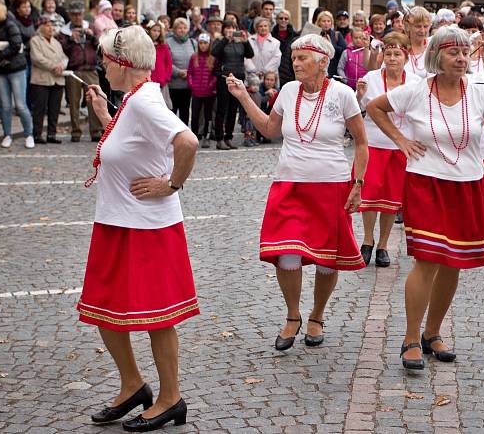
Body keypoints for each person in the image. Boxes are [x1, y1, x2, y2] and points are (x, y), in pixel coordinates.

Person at [365, 26, 484, 370]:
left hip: (467, 185)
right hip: (425, 183)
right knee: (427, 260)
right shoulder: (416, 91)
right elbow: (375, 108)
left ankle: (432, 334)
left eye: (465, 53)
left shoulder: (479, 94)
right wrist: (401, 141)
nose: (462, 59)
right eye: (454, 53)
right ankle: (410, 338)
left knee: (454, 262)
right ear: (437, 56)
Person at [77, 25, 199, 432]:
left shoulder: (145, 100)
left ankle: (170, 398)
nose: (102, 67)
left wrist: (172, 184)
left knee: (158, 317)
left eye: (106, 60)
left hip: (146, 228)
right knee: (105, 311)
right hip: (117, 222)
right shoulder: (131, 100)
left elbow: (188, 141)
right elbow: (135, 145)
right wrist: (104, 116)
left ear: (123, 63)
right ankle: (133, 385)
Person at [226, 33, 367, 350]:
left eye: (303, 58)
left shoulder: (343, 95)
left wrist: (358, 184)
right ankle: (293, 316)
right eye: (294, 58)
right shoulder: (289, 91)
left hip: (331, 186)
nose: (296, 63)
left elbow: (361, 142)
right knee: (287, 252)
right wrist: (243, 97)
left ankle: (316, 316)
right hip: (289, 183)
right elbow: (269, 129)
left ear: (322, 62)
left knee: (327, 259)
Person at [355, 33, 412, 267]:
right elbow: (358, 108)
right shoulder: (371, 78)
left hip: (399, 146)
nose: (391, 58)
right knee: (369, 196)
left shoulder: (416, 82)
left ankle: (383, 246)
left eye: (397, 54)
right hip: (374, 144)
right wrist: (358, 95)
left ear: (406, 57)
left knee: (391, 198)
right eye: (387, 54)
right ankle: (367, 241)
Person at [0, 0, 33, 148]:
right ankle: (7, 134)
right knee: (5, 106)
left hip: (16, 69)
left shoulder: (10, 24)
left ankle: (29, 134)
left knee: (21, 105)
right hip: (1, 70)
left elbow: (16, 45)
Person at [60, 1, 103, 142]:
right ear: (70, 15)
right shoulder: (64, 31)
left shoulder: (90, 26)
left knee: (94, 100)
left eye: (79, 14)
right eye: (74, 14)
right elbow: (63, 50)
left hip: (90, 69)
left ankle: (95, 131)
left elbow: (100, 46)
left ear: (83, 14)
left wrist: (92, 36)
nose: (77, 17)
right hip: (74, 70)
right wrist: (71, 40)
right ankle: (75, 131)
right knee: (74, 102)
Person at [211, 19, 254, 149]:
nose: (230, 30)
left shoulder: (240, 41)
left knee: (232, 110)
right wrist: (226, 39)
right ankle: (219, 138)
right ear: (224, 30)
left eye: (233, 28)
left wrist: (245, 41)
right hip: (224, 78)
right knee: (222, 109)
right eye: (228, 28)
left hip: (238, 78)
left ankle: (228, 137)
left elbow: (250, 54)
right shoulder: (220, 41)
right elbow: (214, 53)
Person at [29, 18, 68, 144]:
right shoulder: (35, 41)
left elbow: (64, 57)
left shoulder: (56, 42)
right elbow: (37, 58)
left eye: (52, 26)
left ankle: (51, 134)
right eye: (47, 25)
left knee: (54, 108)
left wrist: (61, 66)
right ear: (40, 27)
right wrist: (53, 66)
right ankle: (37, 134)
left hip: (57, 79)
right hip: (41, 80)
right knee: (39, 109)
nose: (51, 28)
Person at [187, 33, 217, 148]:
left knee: (208, 116)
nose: (203, 45)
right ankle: (194, 136)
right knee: (194, 115)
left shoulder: (213, 58)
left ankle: (206, 136)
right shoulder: (194, 57)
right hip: (196, 92)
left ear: (209, 44)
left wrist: (211, 85)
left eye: (205, 43)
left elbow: (215, 74)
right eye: (201, 43)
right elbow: (190, 72)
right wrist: (191, 84)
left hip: (209, 92)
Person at [166, 18, 196, 125]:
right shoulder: (168, 42)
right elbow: (167, 62)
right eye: (179, 28)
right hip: (173, 85)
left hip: (188, 85)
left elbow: (196, 60)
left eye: (184, 28)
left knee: (185, 113)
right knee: (172, 113)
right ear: (174, 29)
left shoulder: (193, 42)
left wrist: (190, 72)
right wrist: (179, 72)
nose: (182, 30)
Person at [146, 21, 173, 108]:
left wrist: (166, 78)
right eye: (154, 30)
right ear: (149, 30)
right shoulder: (145, 45)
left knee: (163, 106)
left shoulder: (163, 46)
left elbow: (168, 64)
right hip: (148, 81)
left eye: (158, 31)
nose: (156, 33)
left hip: (161, 82)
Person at [271, 9, 299, 87]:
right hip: (275, 71)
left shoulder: (295, 36)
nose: (283, 20)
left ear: (289, 20)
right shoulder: (271, 35)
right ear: (277, 20)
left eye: (286, 18)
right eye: (281, 18)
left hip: (290, 70)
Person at [315, 11, 346, 77]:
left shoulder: (336, 34)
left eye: (328, 21)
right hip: (317, 70)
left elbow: (344, 51)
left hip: (333, 71)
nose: (326, 23)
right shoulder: (314, 34)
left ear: (331, 23)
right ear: (319, 23)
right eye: (324, 21)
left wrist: (331, 45)